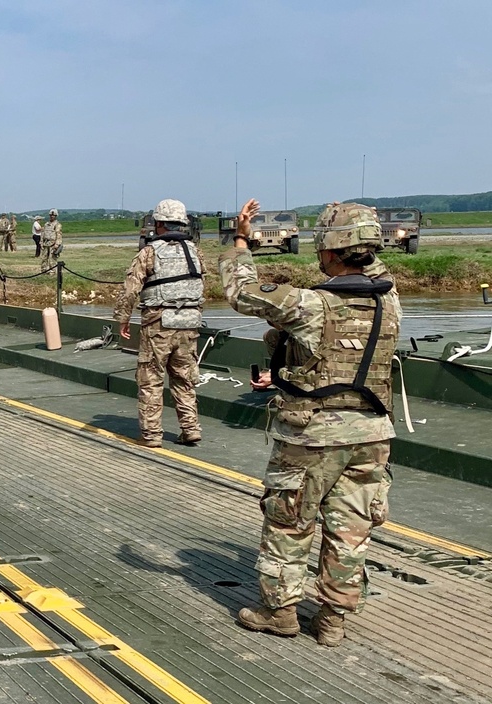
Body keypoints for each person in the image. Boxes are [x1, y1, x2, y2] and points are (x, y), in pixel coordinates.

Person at [222, 199, 400, 647]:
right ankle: (333, 620)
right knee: (351, 529)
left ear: (329, 251)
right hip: (373, 434)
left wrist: (241, 240)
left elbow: (242, 292)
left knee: (289, 521)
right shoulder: (389, 299)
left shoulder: (314, 305)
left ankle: (279, 612)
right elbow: (368, 264)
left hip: (315, 434)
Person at [113, 199, 203, 448]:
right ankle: (190, 428)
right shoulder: (195, 251)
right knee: (184, 378)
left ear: (159, 223)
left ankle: (151, 434)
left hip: (158, 324)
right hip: (190, 323)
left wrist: (123, 318)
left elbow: (131, 288)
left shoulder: (150, 252)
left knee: (150, 377)